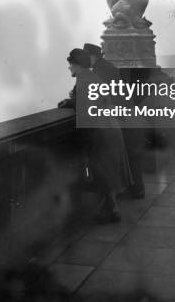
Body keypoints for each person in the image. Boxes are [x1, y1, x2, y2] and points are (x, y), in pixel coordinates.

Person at [64, 48, 131, 223]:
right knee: (107, 172)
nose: (69, 68)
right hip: (111, 128)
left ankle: (112, 210)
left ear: (77, 65)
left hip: (101, 132)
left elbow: (87, 112)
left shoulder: (84, 81)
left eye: (70, 65)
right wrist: (72, 102)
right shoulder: (93, 78)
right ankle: (112, 209)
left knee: (102, 172)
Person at [83, 43, 146, 199]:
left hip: (124, 117)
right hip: (129, 115)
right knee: (131, 155)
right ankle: (136, 189)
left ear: (93, 56)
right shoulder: (106, 67)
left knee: (128, 154)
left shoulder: (100, 70)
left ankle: (136, 190)